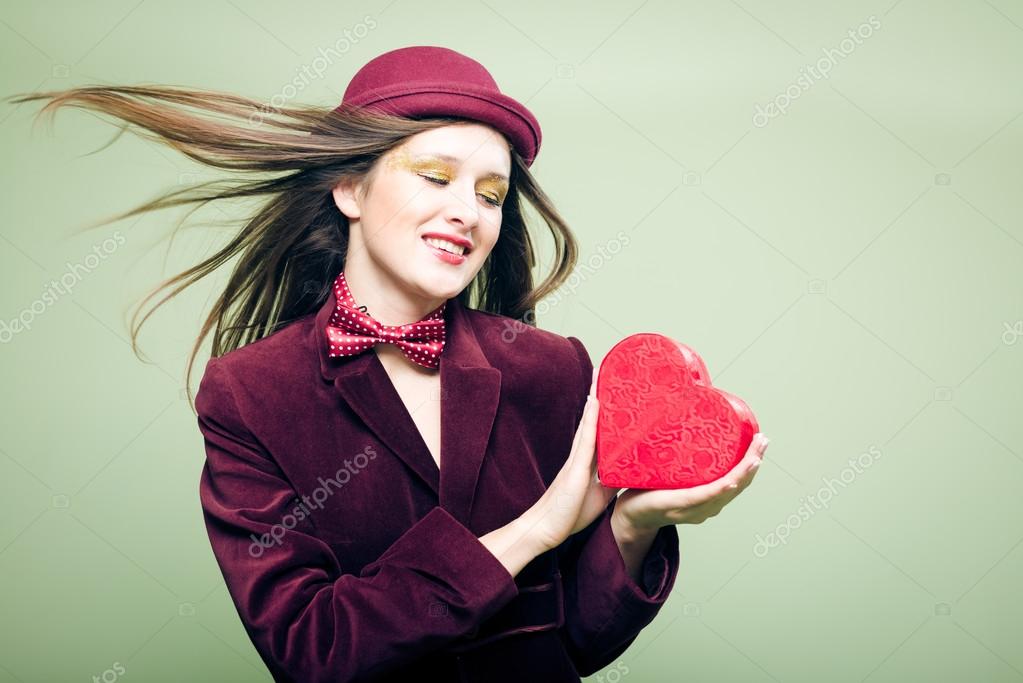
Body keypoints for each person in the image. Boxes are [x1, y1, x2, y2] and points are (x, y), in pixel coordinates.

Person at [10, 44, 768, 682]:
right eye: (435, 176)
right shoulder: (247, 395)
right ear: (349, 186)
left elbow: (572, 643)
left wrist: (636, 523)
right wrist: (536, 528)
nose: (466, 211)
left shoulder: (555, 370)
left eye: (491, 193)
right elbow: (314, 648)